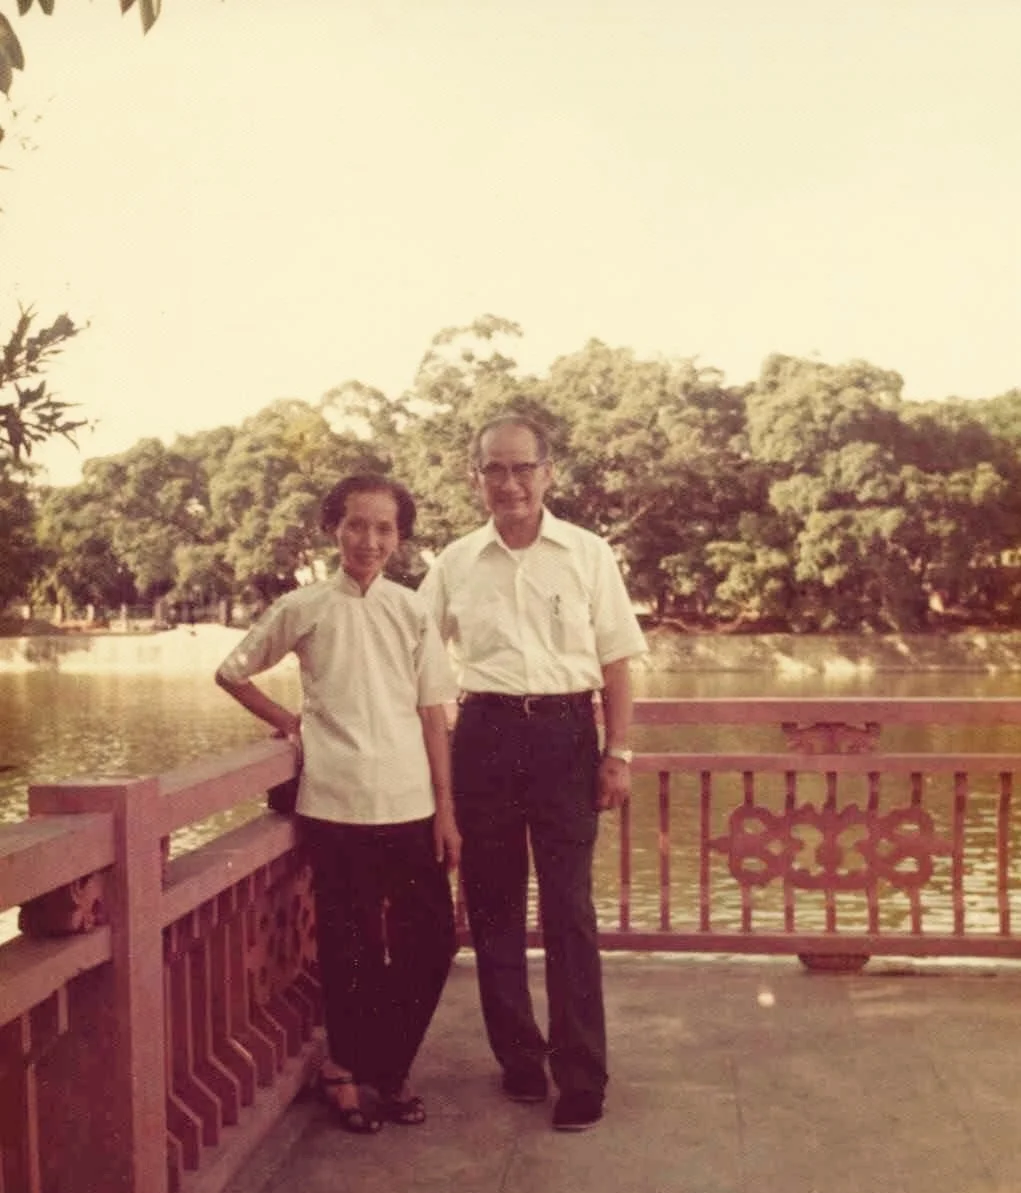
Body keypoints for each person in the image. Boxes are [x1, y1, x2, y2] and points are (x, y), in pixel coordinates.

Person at [418, 412, 647, 1132]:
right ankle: (519, 1056)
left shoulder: (585, 553)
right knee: (491, 907)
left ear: (548, 473)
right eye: (494, 469)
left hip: (564, 736)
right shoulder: (452, 562)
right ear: (475, 477)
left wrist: (619, 752)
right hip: (482, 732)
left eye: (522, 468)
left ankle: (581, 1074)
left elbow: (616, 658)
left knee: (569, 909)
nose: (509, 483)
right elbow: (419, 665)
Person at [215, 473, 460, 1135]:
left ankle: (390, 1063)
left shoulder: (411, 610)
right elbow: (232, 671)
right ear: (334, 527)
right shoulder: (304, 606)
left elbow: (434, 713)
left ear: (400, 537)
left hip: (410, 804)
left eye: (384, 528)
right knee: (350, 947)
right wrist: (291, 721)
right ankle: (346, 1069)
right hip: (336, 805)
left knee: (432, 940)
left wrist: (446, 807)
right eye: (356, 523)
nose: (369, 539)